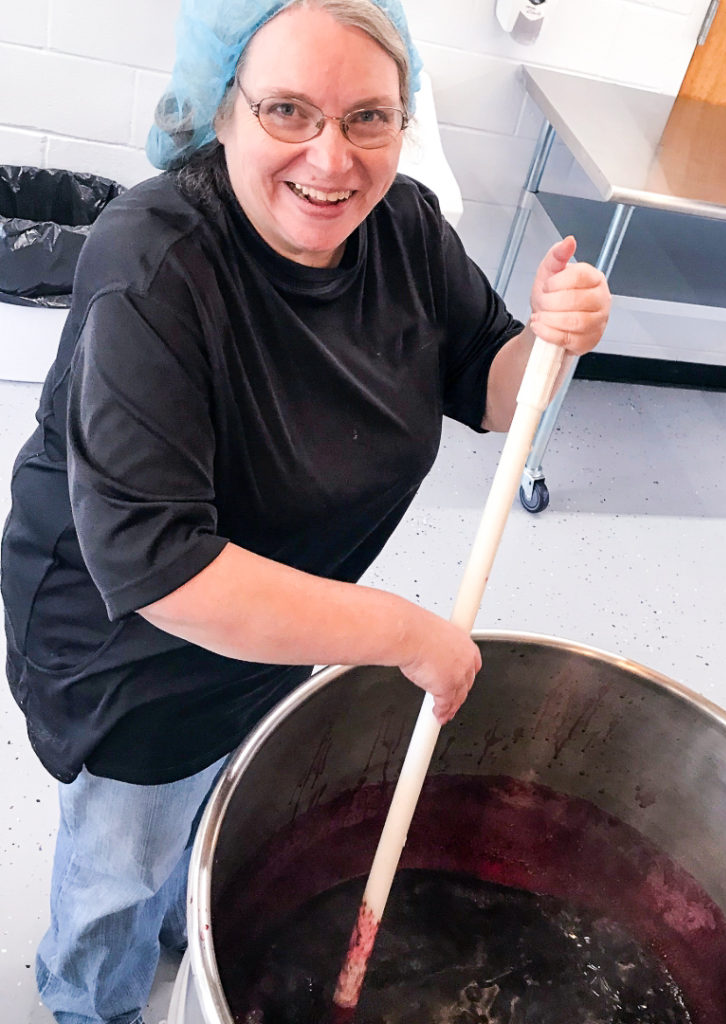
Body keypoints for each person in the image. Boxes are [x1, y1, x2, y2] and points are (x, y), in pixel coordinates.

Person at [0, 1, 611, 1022]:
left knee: (205, 829)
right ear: (221, 108)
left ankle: (179, 926)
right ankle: (89, 1001)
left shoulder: (404, 228)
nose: (332, 161)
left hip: (282, 622)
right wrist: (404, 635)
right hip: (132, 654)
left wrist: (552, 338)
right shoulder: (155, 265)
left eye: (369, 117)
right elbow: (161, 569)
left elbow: (495, 390)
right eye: (288, 110)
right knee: (122, 865)